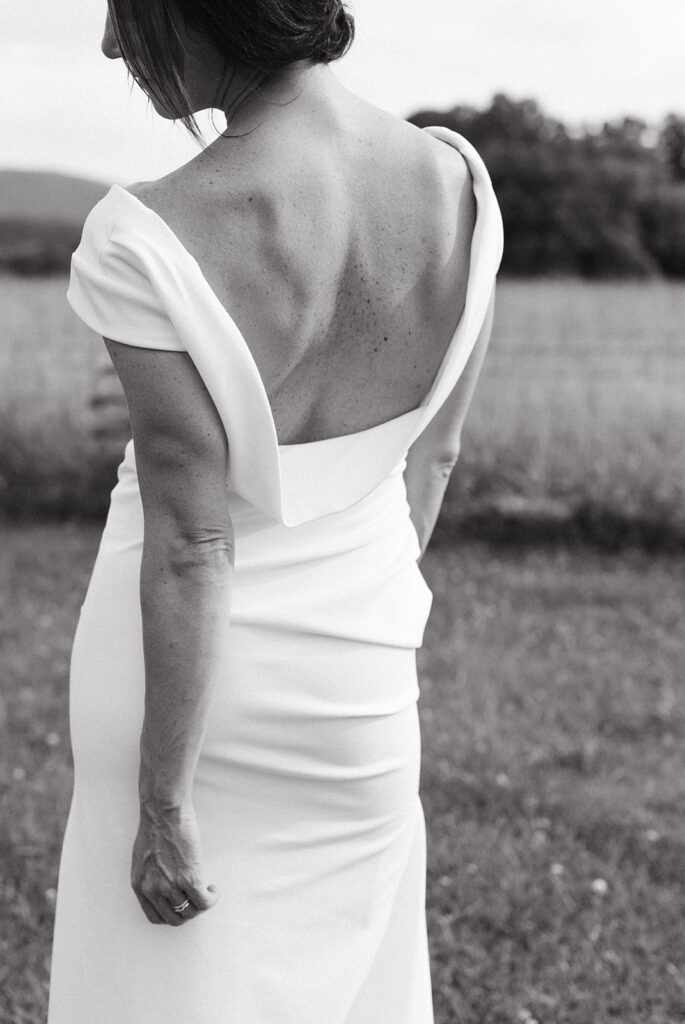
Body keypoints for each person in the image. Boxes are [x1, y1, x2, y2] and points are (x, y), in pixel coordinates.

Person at [48, 2, 503, 1022]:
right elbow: (437, 456)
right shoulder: (455, 179)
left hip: (182, 707)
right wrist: (362, 618)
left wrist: (163, 801)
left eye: (124, 11)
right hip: (364, 685)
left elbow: (194, 543)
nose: (113, 46)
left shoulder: (145, 232)